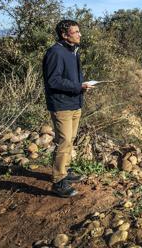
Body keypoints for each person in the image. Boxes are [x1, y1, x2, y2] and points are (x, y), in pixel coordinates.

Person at [42, 20, 93, 197]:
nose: (79, 34)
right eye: (76, 32)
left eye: (79, 31)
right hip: (61, 105)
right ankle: (58, 181)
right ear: (64, 35)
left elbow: (70, 78)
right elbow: (53, 81)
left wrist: (82, 86)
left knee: (70, 139)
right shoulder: (55, 52)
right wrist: (79, 87)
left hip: (74, 103)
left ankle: (65, 169)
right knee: (63, 142)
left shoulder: (72, 51)